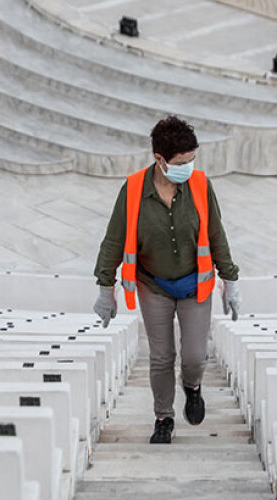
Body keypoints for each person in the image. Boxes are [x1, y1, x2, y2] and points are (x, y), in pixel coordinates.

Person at [93, 115, 241, 444]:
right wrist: (106, 289)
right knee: (161, 357)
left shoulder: (201, 186)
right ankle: (163, 417)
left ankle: (192, 387)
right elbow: (113, 241)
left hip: (195, 285)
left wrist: (230, 281)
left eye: (192, 160)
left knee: (194, 357)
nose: (188, 168)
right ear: (159, 159)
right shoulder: (133, 191)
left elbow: (217, 234)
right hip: (154, 286)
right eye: (181, 162)